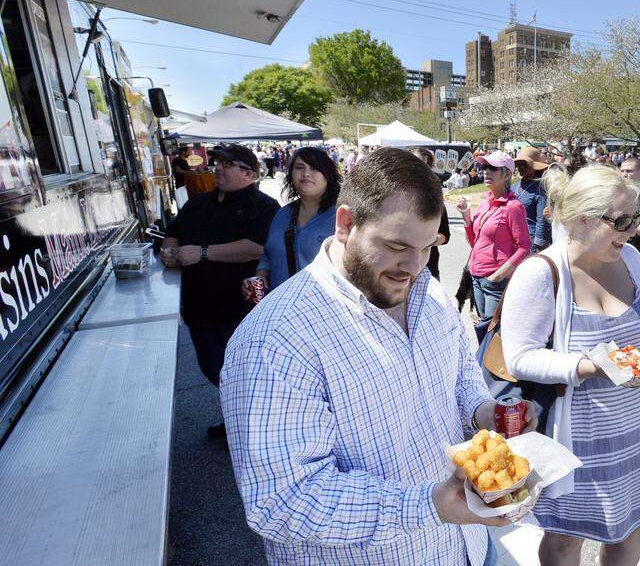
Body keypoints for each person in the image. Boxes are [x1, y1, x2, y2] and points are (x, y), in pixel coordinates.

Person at [221, 148, 530, 566]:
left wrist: (484, 412)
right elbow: (282, 501)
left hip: (467, 546)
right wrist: (429, 504)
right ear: (346, 223)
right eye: (396, 245)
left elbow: (459, 380)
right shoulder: (277, 339)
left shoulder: (430, 294)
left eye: (426, 248)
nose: (413, 266)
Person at [499, 164, 640, 566]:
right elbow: (519, 357)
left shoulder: (631, 259)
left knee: (634, 528)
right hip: (575, 441)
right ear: (582, 220)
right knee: (565, 541)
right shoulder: (541, 273)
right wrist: (590, 366)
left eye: (637, 219)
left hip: (635, 432)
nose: (632, 231)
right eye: (623, 221)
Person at [160, 144, 277, 437]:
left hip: (239, 309)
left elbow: (256, 247)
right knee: (215, 370)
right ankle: (236, 421)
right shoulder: (198, 204)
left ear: (248, 173)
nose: (218, 168)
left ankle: (255, 429)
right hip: (199, 306)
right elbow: (173, 231)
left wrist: (201, 252)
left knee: (244, 373)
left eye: (227, 163)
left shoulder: (264, 206)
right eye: (217, 162)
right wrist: (169, 249)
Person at [253, 147, 340, 292]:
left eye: (314, 168)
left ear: (328, 175)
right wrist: (260, 276)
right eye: (300, 167)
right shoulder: (282, 214)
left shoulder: (339, 217)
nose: (306, 174)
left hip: (320, 307)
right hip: (279, 303)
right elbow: (268, 255)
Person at [457, 151, 531, 321]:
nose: (486, 171)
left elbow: (524, 247)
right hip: (477, 277)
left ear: (506, 174)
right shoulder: (485, 203)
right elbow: (475, 243)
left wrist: (498, 276)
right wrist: (466, 217)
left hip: (495, 281)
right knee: (482, 331)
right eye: (484, 167)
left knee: (493, 335)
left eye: (492, 167)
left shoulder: (513, 206)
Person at [412, 147, 452, 280]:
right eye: (412, 163)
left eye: (422, 165)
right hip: (397, 269)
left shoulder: (434, 197)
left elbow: (444, 236)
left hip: (427, 269)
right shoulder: (395, 193)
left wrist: (423, 242)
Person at [513, 146, 553, 252]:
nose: (520, 167)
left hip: (530, 242)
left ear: (534, 166)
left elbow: (542, 219)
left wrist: (537, 246)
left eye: (524, 164)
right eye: (518, 164)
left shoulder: (541, 188)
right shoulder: (514, 186)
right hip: (513, 239)